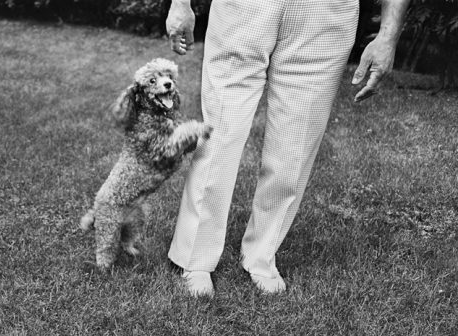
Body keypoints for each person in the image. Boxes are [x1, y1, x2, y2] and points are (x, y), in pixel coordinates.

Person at [165, 0, 410, 297]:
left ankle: (262, 254)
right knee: (220, 132)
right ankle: (195, 255)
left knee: (297, 142)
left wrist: (388, 35)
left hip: (326, 13)